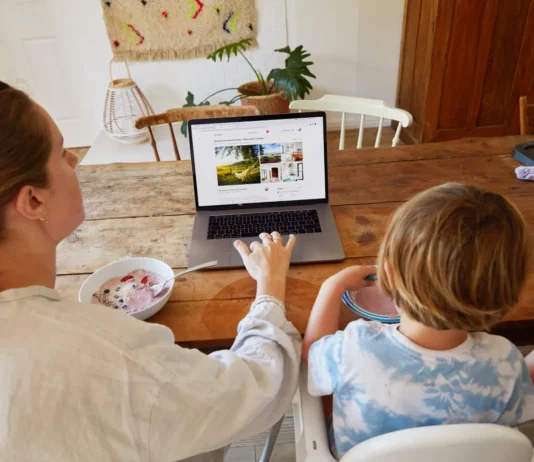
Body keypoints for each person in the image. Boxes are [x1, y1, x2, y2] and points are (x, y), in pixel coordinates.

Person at [0, 81, 301, 461]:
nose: (75, 160)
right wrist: (270, 288)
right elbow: (255, 389)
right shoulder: (113, 359)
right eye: (62, 154)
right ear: (33, 199)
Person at [302, 183, 534, 459]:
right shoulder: (506, 361)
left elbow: (312, 352)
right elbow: (508, 426)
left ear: (387, 272)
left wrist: (333, 285)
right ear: (508, 290)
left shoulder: (355, 346)